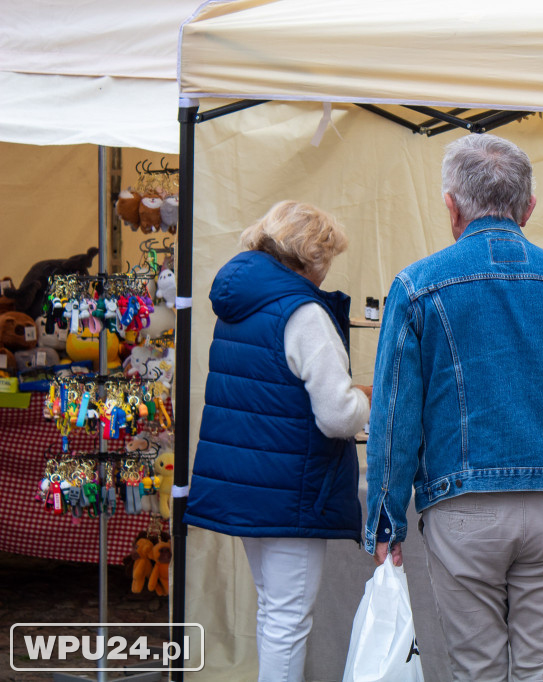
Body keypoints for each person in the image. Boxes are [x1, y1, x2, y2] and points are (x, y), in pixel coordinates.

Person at [364, 133, 543, 681]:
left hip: (462, 509)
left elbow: (394, 418)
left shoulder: (416, 287)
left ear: (451, 205)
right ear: (529, 207)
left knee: (477, 671)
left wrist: (387, 517)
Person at [183, 200, 371, 682]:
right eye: (328, 256)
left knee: (273, 611)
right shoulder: (303, 311)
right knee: (288, 619)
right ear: (313, 255)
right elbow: (337, 416)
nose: (328, 270)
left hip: (247, 482)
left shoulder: (240, 302)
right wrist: (373, 398)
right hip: (293, 487)